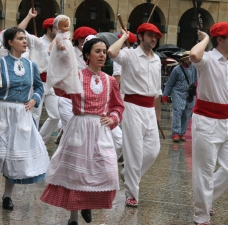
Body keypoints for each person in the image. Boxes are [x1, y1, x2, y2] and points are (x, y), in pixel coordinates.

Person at [40, 37, 124, 225]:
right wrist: (62, 54)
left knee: (106, 171)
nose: (102, 55)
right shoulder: (76, 76)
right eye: (97, 51)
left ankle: (88, 203)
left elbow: (118, 107)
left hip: (100, 130)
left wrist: (113, 118)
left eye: (104, 51)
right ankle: (73, 218)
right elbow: (58, 87)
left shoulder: (110, 81)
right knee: (77, 174)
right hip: (79, 127)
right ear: (87, 55)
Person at [0, 27, 49, 210]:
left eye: (25, 38)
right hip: (1, 109)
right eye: (20, 38)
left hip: (21, 113)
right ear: (10, 42)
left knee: (14, 157)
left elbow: (38, 87)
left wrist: (34, 100)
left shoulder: (31, 65)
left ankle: (7, 196)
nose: (25, 41)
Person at [189, 22, 228, 225]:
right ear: (219, 40)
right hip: (207, 121)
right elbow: (194, 55)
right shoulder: (208, 60)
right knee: (204, 171)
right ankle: (201, 215)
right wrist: (204, 39)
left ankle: (208, 198)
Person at [108, 23, 162, 207]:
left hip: (149, 109)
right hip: (131, 107)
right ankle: (132, 194)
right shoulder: (129, 54)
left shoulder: (157, 59)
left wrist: (157, 113)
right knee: (133, 152)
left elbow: (157, 90)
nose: (153, 39)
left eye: (155, 36)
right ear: (140, 37)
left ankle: (128, 175)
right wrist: (123, 37)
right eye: (149, 35)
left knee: (153, 151)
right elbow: (111, 52)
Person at [18, 9, 60, 143]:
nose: (59, 31)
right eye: (56, 28)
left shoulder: (59, 43)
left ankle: (39, 141)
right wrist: (29, 16)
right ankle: (30, 143)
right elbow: (18, 30)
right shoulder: (37, 41)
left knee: (55, 116)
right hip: (37, 83)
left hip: (51, 83)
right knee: (34, 115)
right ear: (49, 29)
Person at [162, 51, 197, 142]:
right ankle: (176, 133)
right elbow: (170, 83)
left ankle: (182, 132)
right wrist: (165, 94)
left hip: (189, 94)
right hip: (178, 93)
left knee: (187, 114)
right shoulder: (177, 69)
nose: (189, 60)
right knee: (178, 112)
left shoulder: (194, 68)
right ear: (183, 59)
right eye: (187, 58)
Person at [46, 14, 81, 95]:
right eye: (64, 26)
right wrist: (61, 46)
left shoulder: (67, 34)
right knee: (65, 62)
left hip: (68, 49)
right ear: (58, 27)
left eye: (67, 26)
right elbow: (58, 41)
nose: (67, 28)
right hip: (63, 49)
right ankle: (61, 77)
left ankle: (68, 76)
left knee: (71, 64)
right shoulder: (59, 36)